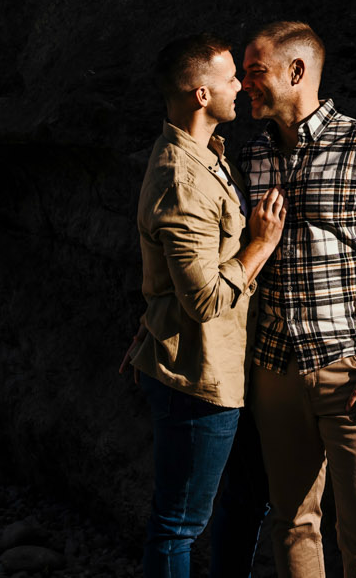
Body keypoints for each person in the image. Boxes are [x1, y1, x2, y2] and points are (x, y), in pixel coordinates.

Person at [234, 21, 356, 578]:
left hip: (354, 372)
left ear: (296, 71)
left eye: (256, 71)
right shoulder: (247, 157)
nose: (243, 83)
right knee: (292, 521)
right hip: (274, 369)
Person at [127, 33, 287, 578]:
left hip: (230, 371)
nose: (241, 86)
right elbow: (202, 299)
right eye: (229, 78)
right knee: (178, 525)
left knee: (248, 499)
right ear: (201, 94)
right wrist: (260, 245)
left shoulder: (210, 154)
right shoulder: (182, 180)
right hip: (198, 378)